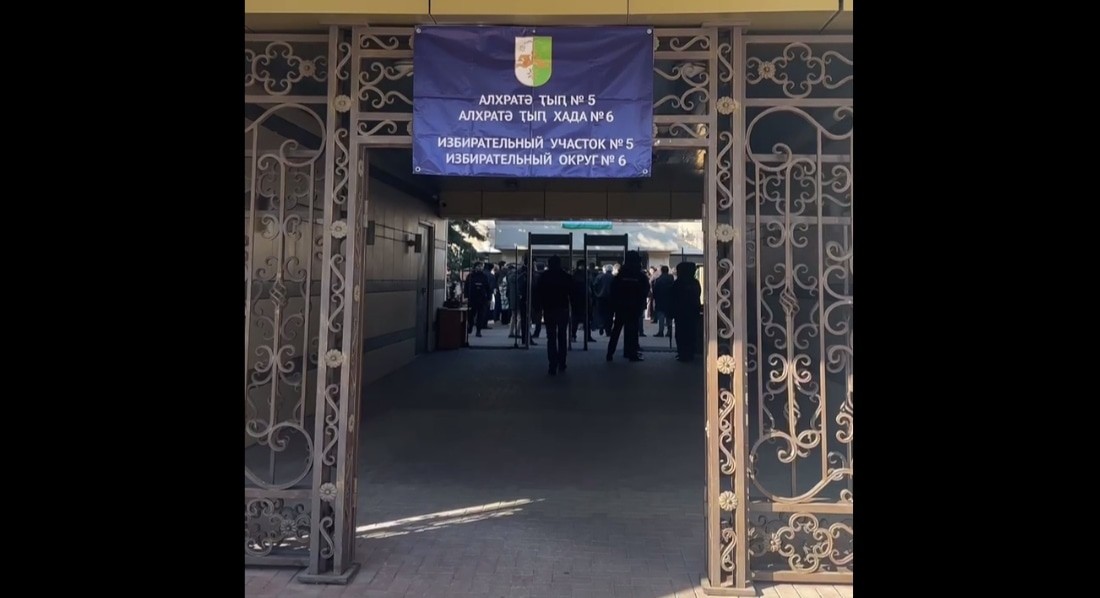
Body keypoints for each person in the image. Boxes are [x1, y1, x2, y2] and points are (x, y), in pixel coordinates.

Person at [534, 255, 573, 375]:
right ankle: (562, 362)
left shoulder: (544, 277)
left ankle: (552, 364)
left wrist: (538, 308)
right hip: (563, 309)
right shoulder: (565, 276)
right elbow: (572, 293)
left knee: (551, 337)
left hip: (549, 309)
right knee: (562, 336)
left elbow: (538, 293)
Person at [606, 251, 649, 362]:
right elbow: (645, 290)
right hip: (634, 308)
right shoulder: (640, 276)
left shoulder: (621, 275)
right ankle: (632, 354)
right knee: (632, 332)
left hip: (621, 307)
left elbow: (613, 290)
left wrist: (614, 305)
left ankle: (610, 353)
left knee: (616, 331)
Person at [670, 261, 702, 362]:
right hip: (692, 311)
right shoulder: (695, 282)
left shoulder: (678, 283)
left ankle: (682, 353)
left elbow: (673, 297)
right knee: (691, 333)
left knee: (681, 333)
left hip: (680, 312)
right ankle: (690, 353)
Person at [570, 259, 597, 343]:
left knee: (581, 319)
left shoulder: (577, 275)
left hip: (580, 299)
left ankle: (577, 335)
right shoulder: (582, 275)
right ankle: (579, 335)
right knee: (581, 319)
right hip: (581, 298)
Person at [463, 263, 491, 337]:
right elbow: (466, 287)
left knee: (480, 316)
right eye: (478, 266)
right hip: (472, 298)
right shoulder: (470, 276)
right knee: (471, 315)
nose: (480, 268)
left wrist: (489, 298)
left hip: (482, 299)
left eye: (481, 266)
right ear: (475, 267)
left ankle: (478, 331)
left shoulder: (484, 276)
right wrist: (466, 296)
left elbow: (488, 288)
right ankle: (470, 326)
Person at [652, 265, 675, 337]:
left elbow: (655, 290)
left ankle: (661, 331)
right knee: (669, 317)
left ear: (661, 271)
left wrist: (655, 298)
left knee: (661, 316)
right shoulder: (671, 278)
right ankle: (669, 331)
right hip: (670, 300)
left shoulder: (659, 280)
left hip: (660, 300)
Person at [594, 264, 614, 335]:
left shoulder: (599, 276)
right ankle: (608, 330)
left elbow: (594, 286)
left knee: (601, 313)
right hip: (610, 298)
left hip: (600, 298)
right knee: (610, 314)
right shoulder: (613, 278)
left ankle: (601, 325)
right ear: (612, 270)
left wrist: (597, 294)